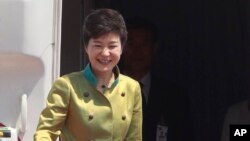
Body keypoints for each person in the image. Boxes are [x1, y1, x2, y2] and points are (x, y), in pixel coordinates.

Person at [34, 8, 142, 141]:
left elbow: (134, 138)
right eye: (98, 45)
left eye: (112, 46)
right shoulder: (66, 85)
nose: (105, 53)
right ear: (86, 47)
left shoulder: (132, 87)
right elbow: (45, 132)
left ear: (122, 48)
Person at [119, 17, 192, 141]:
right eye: (131, 44)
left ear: (154, 48)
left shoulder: (175, 97)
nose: (137, 51)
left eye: (144, 44)